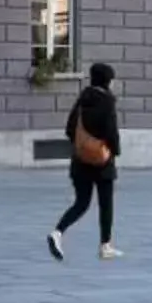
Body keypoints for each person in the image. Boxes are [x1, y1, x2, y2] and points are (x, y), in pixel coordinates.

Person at [49, 62, 123, 261]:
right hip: (102, 161)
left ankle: (57, 232)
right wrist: (115, 151)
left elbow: (69, 129)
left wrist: (83, 145)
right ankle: (105, 246)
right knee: (106, 203)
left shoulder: (82, 100)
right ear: (107, 81)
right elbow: (111, 133)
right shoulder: (107, 102)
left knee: (81, 202)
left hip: (80, 160)